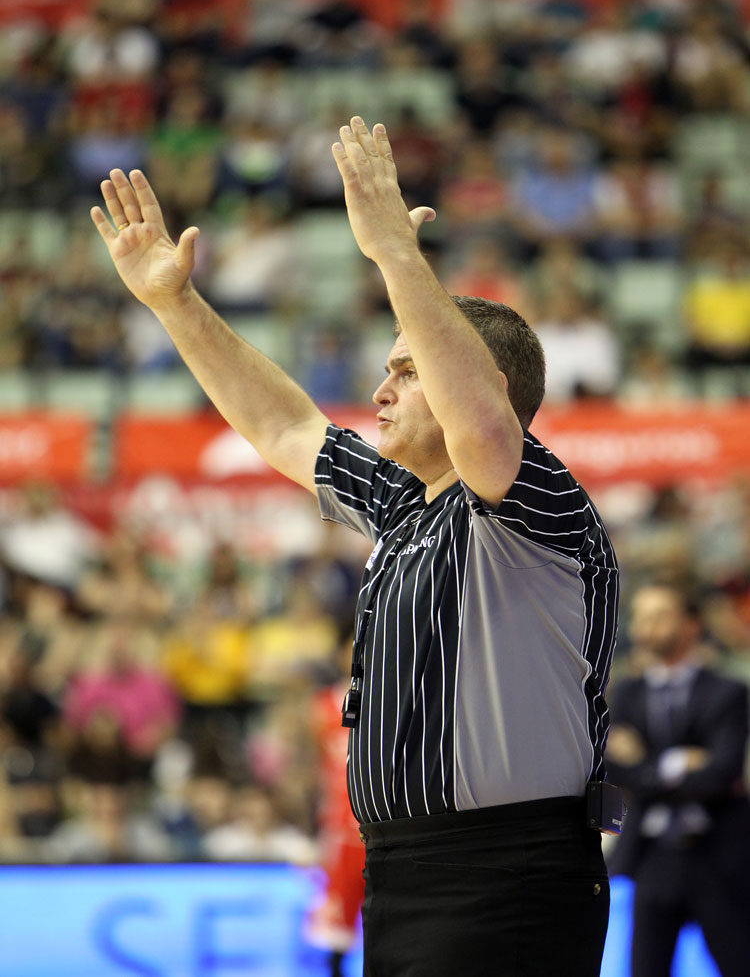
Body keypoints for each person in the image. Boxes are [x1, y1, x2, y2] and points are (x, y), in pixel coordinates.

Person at [92, 116, 619, 977]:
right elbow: (286, 425)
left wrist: (396, 257)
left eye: (406, 371)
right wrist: (174, 304)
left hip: (511, 873)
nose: (380, 390)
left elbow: (485, 428)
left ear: (479, 383)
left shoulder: (535, 500)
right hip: (402, 873)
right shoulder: (406, 504)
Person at [606, 582, 750, 977]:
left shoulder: (726, 692)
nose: (645, 627)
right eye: (640, 617)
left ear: (690, 624)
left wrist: (644, 765)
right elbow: (615, 770)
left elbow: (721, 776)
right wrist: (676, 764)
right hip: (652, 856)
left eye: (659, 616)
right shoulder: (626, 694)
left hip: (719, 855)